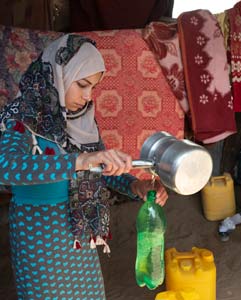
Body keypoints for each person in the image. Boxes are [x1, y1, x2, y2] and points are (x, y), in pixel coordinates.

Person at [0, 34, 168, 299]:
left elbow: (98, 170)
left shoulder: (81, 121)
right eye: (82, 84)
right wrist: (80, 160)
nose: (88, 96)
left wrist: (134, 184)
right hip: (40, 234)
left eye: (93, 87)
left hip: (78, 229)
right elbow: (8, 168)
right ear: (60, 74)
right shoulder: (23, 115)